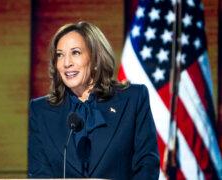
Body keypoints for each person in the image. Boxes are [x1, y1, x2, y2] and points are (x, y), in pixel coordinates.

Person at [28, 21, 159, 179]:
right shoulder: (41, 110)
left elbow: (147, 165)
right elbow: (39, 174)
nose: (66, 63)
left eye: (75, 53)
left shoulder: (133, 99)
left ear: (96, 59)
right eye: (60, 55)